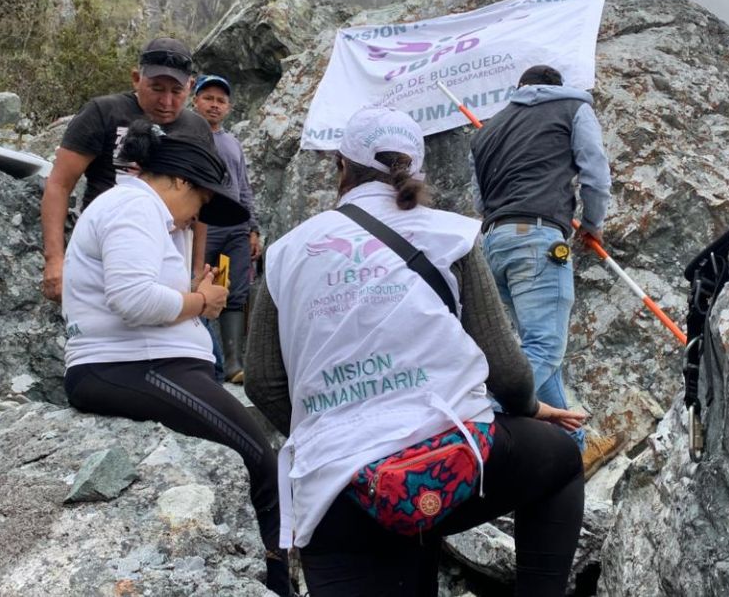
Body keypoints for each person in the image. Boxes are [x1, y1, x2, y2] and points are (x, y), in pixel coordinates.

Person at [246, 107, 587, 596]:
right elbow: (507, 372)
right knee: (557, 460)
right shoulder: (449, 233)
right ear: (416, 168)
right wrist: (530, 409)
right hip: (443, 462)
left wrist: (336, 432)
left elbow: (262, 382)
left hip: (336, 488)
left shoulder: (285, 252)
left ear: (341, 168)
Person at [61, 119, 290, 597]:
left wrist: (193, 294)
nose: (195, 217)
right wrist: (199, 304)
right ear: (182, 180)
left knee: (259, 459)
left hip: (145, 361)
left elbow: (140, 292)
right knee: (261, 463)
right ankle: (277, 586)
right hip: (131, 364)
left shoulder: (144, 212)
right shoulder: (133, 206)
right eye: (201, 202)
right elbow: (132, 298)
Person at [469, 64, 618, 473]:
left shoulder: (487, 131)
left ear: (520, 89)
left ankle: (576, 444)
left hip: (492, 243)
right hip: (537, 239)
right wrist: (592, 224)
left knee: (536, 346)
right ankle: (474, 421)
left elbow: (479, 200)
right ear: (556, 88)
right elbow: (595, 170)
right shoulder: (572, 107)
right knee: (545, 347)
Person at [40, 37, 213, 303]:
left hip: (171, 255)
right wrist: (55, 260)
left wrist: (197, 268)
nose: (166, 101)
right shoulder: (103, 112)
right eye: (156, 88)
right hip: (106, 251)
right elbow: (59, 184)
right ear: (136, 78)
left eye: (176, 91)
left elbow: (202, 201)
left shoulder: (197, 129)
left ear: (190, 86)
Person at [192, 74, 261, 383]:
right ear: (195, 101)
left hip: (235, 229)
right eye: (209, 98)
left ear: (229, 107)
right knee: (198, 288)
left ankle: (233, 364)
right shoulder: (186, 134)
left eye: (221, 101)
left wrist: (253, 227)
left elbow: (243, 186)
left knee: (231, 291)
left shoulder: (232, 142)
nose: (215, 105)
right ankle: (207, 361)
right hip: (202, 227)